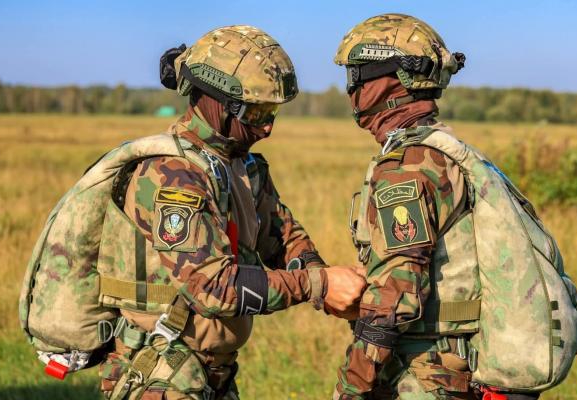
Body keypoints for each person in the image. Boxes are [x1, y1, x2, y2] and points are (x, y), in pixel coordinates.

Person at [97, 25, 366, 399]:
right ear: (219, 104)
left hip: (208, 370)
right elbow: (212, 288)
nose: (268, 127)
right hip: (161, 370)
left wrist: (329, 283)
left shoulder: (241, 165)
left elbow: (281, 236)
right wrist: (317, 285)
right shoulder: (172, 176)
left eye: (272, 111)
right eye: (257, 113)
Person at [331, 14, 479, 400]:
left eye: (356, 77)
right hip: (454, 364)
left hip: (425, 373)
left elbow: (395, 296)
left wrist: (353, 384)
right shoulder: (446, 149)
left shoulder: (408, 165)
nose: (351, 90)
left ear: (386, 83)